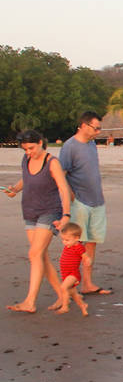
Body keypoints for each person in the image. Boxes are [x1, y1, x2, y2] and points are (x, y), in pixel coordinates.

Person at [5, 130, 71, 313]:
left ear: (41, 142)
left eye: (31, 148)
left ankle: (30, 301)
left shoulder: (52, 162)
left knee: (34, 254)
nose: (28, 152)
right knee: (40, 256)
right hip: (30, 211)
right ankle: (62, 294)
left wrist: (66, 215)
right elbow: (26, 180)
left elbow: (63, 189)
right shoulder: (25, 160)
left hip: (50, 211)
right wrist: (14, 189)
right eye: (25, 149)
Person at [59, 111, 111, 295]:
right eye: (95, 128)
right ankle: (70, 286)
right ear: (83, 125)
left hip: (97, 200)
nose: (98, 132)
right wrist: (71, 195)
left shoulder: (91, 144)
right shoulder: (69, 146)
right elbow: (61, 174)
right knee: (76, 244)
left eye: (99, 129)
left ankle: (87, 283)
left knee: (92, 242)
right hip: (80, 201)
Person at [56, 223, 90, 317]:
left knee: (63, 288)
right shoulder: (68, 246)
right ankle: (83, 306)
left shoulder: (78, 247)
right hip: (65, 273)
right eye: (63, 240)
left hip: (73, 274)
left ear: (76, 238)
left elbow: (85, 256)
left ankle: (65, 307)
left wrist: (87, 260)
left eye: (67, 240)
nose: (64, 242)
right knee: (73, 294)